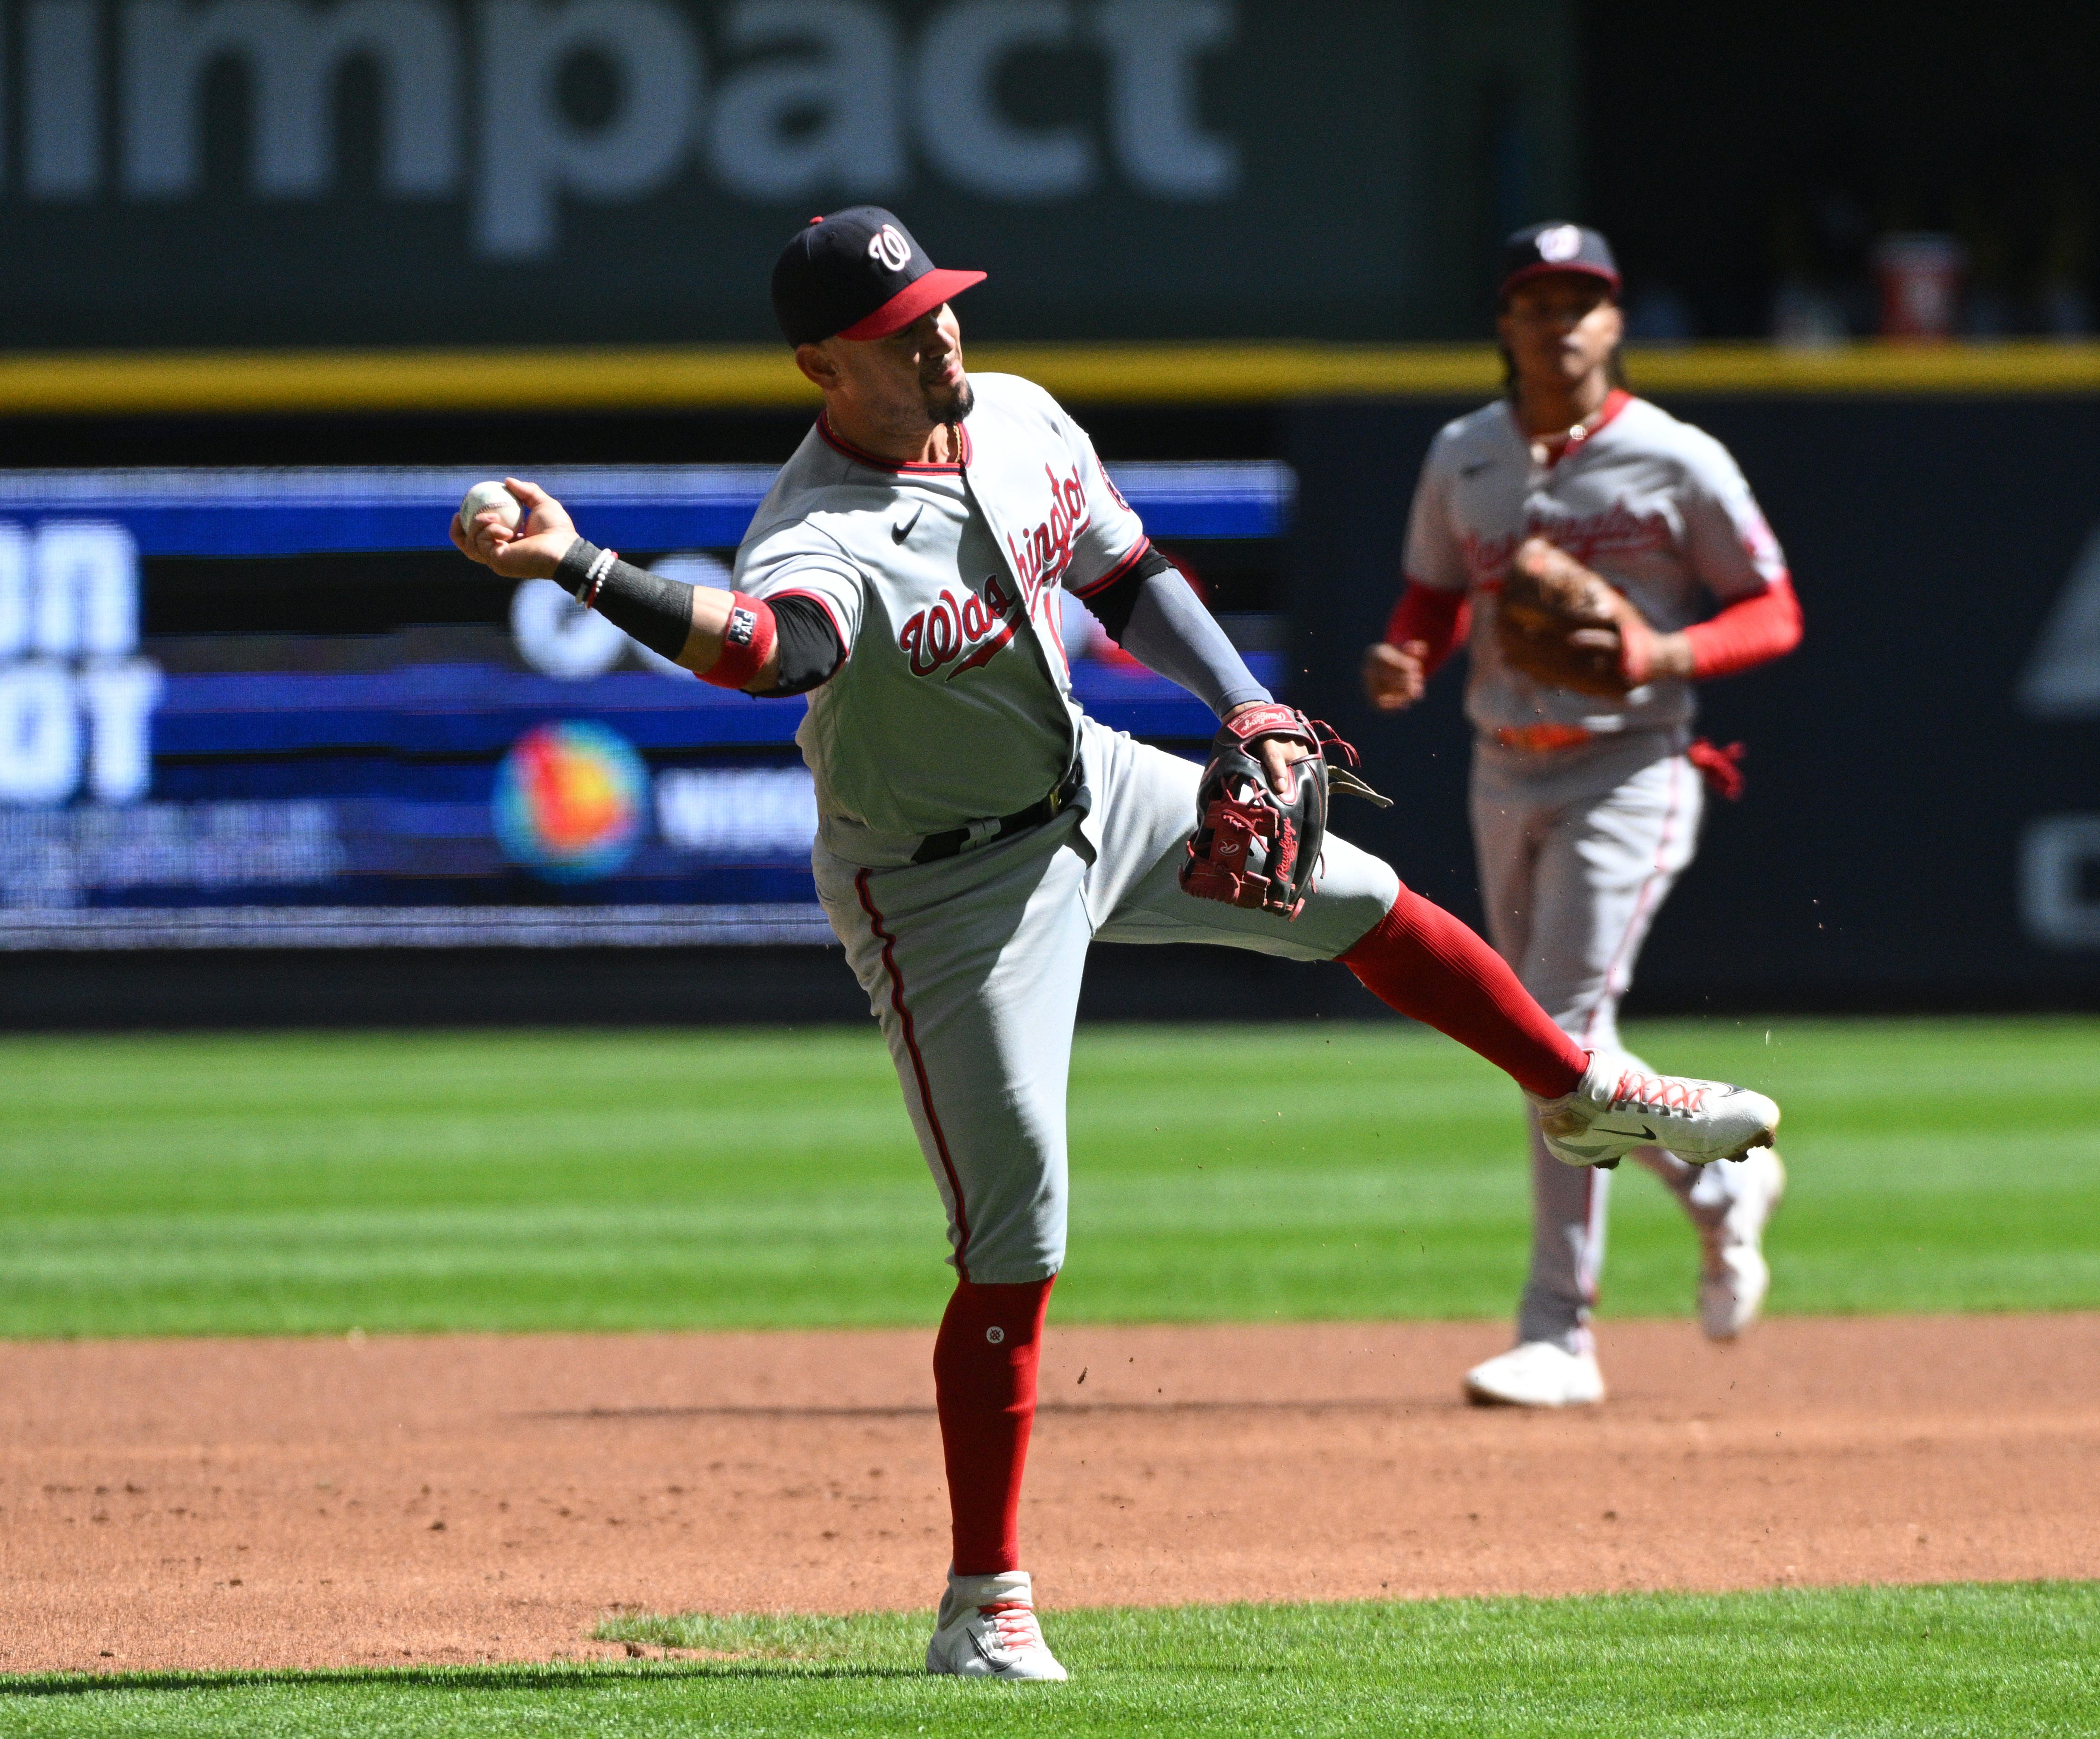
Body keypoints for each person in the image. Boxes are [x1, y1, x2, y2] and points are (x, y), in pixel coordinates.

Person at [452, 207, 1779, 1681]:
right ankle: (982, 1600)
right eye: (904, 329)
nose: (943, 332)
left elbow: (1126, 570)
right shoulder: (820, 526)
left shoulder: (1013, 416)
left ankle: (1576, 1086)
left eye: (945, 304)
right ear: (827, 364)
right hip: (943, 895)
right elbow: (773, 654)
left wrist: (1246, 706)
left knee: (1365, 896)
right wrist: (582, 562)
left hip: (1095, 780)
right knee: (1019, 1231)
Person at [1363, 222, 1805, 1410]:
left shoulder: (1674, 456)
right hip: (1500, 764)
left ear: (1615, 320)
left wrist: (1670, 646)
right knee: (1543, 1032)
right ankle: (1718, 1191)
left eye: (1582, 299)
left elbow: (1772, 609)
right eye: (1535, 299)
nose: (1559, 319)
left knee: (1549, 1024)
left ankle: (1558, 1330)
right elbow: (1434, 591)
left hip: (1633, 763)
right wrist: (1409, 652)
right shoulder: (1464, 454)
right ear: (1504, 324)